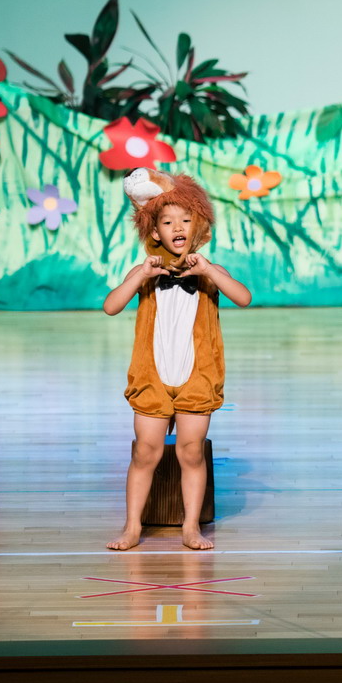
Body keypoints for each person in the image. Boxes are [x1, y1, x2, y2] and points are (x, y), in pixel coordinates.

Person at [103, 168, 252, 551]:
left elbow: (243, 297)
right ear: (155, 232)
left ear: (198, 224)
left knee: (191, 451)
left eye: (185, 220)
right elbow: (111, 306)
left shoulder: (209, 272)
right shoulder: (145, 273)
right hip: (152, 377)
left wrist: (209, 271)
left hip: (196, 378)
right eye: (168, 222)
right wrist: (139, 277)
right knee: (145, 451)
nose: (178, 227)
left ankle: (190, 527)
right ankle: (132, 526)